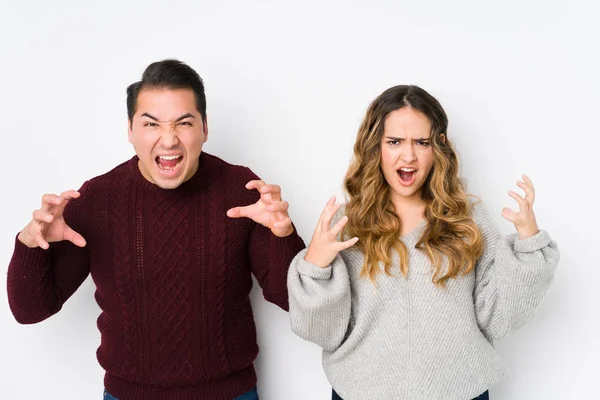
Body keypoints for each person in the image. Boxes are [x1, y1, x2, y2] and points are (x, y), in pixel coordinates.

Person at [7, 59, 305, 400]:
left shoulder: (241, 190)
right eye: (152, 124)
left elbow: (295, 301)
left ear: (205, 128)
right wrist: (30, 245)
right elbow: (29, 310)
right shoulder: (97, 200)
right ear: (131, 130)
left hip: (230, 394)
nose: (168, 140)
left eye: (184, 123)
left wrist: (283, 236)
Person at [287, 85, 559, 400]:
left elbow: (497, 316)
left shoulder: (467, 218)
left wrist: (528, 240)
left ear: (439, 147)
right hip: (361, 392)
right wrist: (316, 265)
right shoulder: (347, 222)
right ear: (376, 147)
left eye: (421, 142)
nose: (409, 155)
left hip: (461, 392)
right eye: (394, 142)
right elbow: (322, 331)